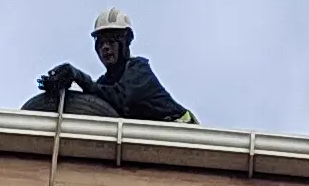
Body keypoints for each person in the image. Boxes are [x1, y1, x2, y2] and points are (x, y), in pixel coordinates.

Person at [27, 9, 194, 124]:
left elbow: (121, 100)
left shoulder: (138, 70)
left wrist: (78, 76)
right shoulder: (105, 83)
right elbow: (93, 105)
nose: (105, 47)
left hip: (183, 132)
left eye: (111, 41)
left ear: (126, 41)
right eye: (100, 43)